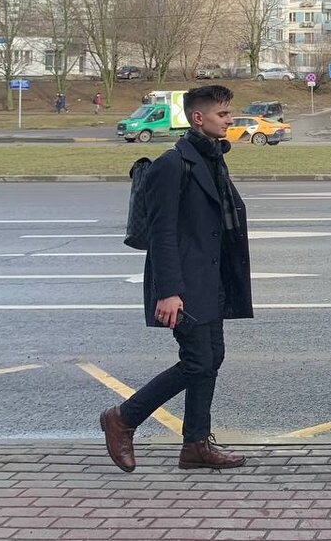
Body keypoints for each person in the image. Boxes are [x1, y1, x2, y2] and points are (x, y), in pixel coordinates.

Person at [99, 85, 253, 473]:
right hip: (184, 283)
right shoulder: (173, 164)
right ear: (198, 118)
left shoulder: (212, 158)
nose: (230, 119)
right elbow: (162, 233)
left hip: (211, 277)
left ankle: (195, 446)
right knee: (199, 360)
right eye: (223, 114)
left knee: (211, 358)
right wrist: (169, 292)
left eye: (230, 112)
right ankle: (123, 418)